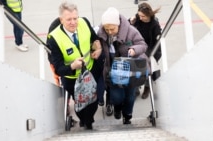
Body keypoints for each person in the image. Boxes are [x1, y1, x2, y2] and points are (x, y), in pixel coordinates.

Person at [47, 1, 102, 130]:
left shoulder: (84, 22)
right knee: (81, 105)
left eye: (75, 18)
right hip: (73, 79)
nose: (73, 22)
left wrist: (98, 48)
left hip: (90, 71)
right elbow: (59, 69)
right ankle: (85, 121)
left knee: (94, 101)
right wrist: (72, 66)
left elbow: (94, 38)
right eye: (69, 19)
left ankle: (89, 120)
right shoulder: (54, 38)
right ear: (61, 20)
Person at [97, 7, 149, 124]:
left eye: (112, 29)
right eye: (107, 29)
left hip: (130, 71)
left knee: (130, 96)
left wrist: (133, 49)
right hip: (113, 71)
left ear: (119, 24)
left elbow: (143, 45)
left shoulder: (131, 31)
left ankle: (127, 116)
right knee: (116, 97)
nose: (109, 32)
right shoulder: (101, 33)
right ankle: (118, 108)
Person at [129, 2, 162, 99]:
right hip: (138, 45)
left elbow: (157, 40)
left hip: (149, 47)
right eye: (139, 15)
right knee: (134, 65)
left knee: (147, 67)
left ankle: (147, 87)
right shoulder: (138, 18)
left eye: (143, 16)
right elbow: (127, 26)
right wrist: (131, 21)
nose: (141, 18)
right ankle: (135, 89)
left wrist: (152, 53)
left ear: (148, 15)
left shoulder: (154, 25)